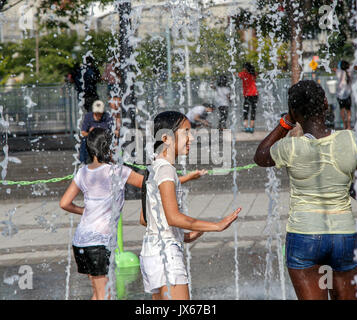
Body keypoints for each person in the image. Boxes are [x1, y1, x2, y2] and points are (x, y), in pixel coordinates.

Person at [254, 80, 357, 300]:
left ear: (294, 112)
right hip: (343, 235)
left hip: (304, 236)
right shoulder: (352, 140)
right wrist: (344, 185)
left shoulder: (290, 147)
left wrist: (285, 123)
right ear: (325, 103)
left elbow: (261, 156)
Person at [139, 111, 241, 300]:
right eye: (186, 132)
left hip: (151, 253)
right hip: (167, 255)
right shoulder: (166, 170)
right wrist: (215, 226)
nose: (191, 138)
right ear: (166, 138)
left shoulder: (153, 167)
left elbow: (145, 219)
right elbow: (173, 217)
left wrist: (184, 236)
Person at [59, 127, 144, 300]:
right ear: (109, 147)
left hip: (81, 242)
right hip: (99, 243)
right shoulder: (117, 171)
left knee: (98, 294)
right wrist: (184, 179)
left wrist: (84, 211)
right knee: (105, 295)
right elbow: (150, 184)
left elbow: (64, 203)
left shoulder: (83, 172)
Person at [238, 63, 259, 133]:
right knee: (253, 111)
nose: (243, 69)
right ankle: (251, 127)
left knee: (246, 111)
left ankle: (247, 127)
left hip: (247, 95)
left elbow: (237, 75)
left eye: (243, 67)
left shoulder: (243, 74)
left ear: (245, 68)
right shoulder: (253, 74)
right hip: (255, 94)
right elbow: (257, 74)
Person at [336, 60, 354, 130]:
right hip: (347, 94)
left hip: (339, 94)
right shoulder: (350, 72)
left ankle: (344, 125)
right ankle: (349, 126)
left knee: (342, 109)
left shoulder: (338, 72)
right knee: (348, 110)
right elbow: (354, 67)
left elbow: (336, 69)